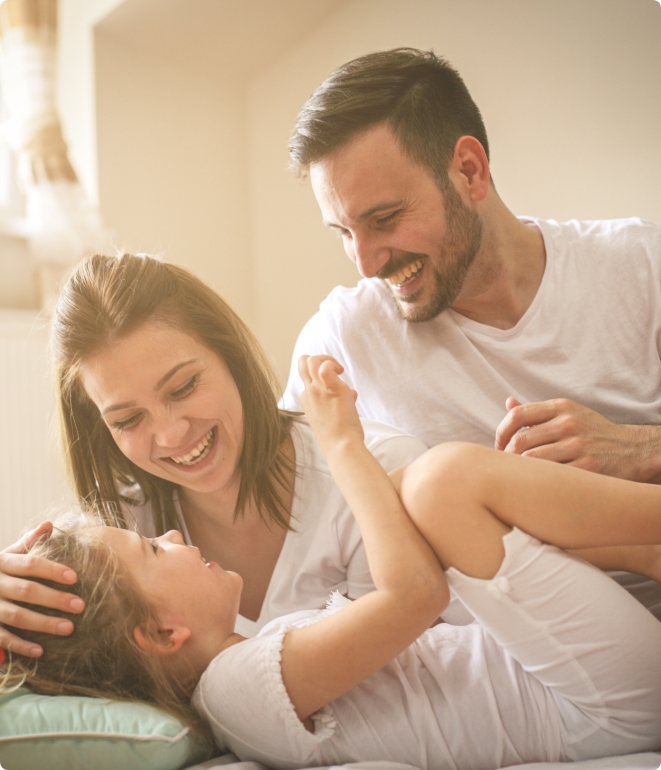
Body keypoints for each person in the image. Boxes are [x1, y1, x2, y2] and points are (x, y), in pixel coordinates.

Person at [5, 354, 661, 770]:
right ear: (160, 634)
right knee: (439, 485)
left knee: (422, 497)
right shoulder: (236, 692)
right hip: (595, 704)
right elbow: (413, 595)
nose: (172, 537)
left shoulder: (241, 669)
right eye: (153, 549)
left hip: (574, 681)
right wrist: (341, 441)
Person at [0, 253, 426, 658]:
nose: (170, 435)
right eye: (128, 420)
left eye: (184, 388)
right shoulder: (121, 531)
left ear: (230, 357)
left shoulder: (381, 469)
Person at [282, 48, 661, 483]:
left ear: (470, 171)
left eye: (384, 219)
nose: (366, 265)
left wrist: (638, 447)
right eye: (344, 233)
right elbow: (283, 504)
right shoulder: (343, 342)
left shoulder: (643, 264)